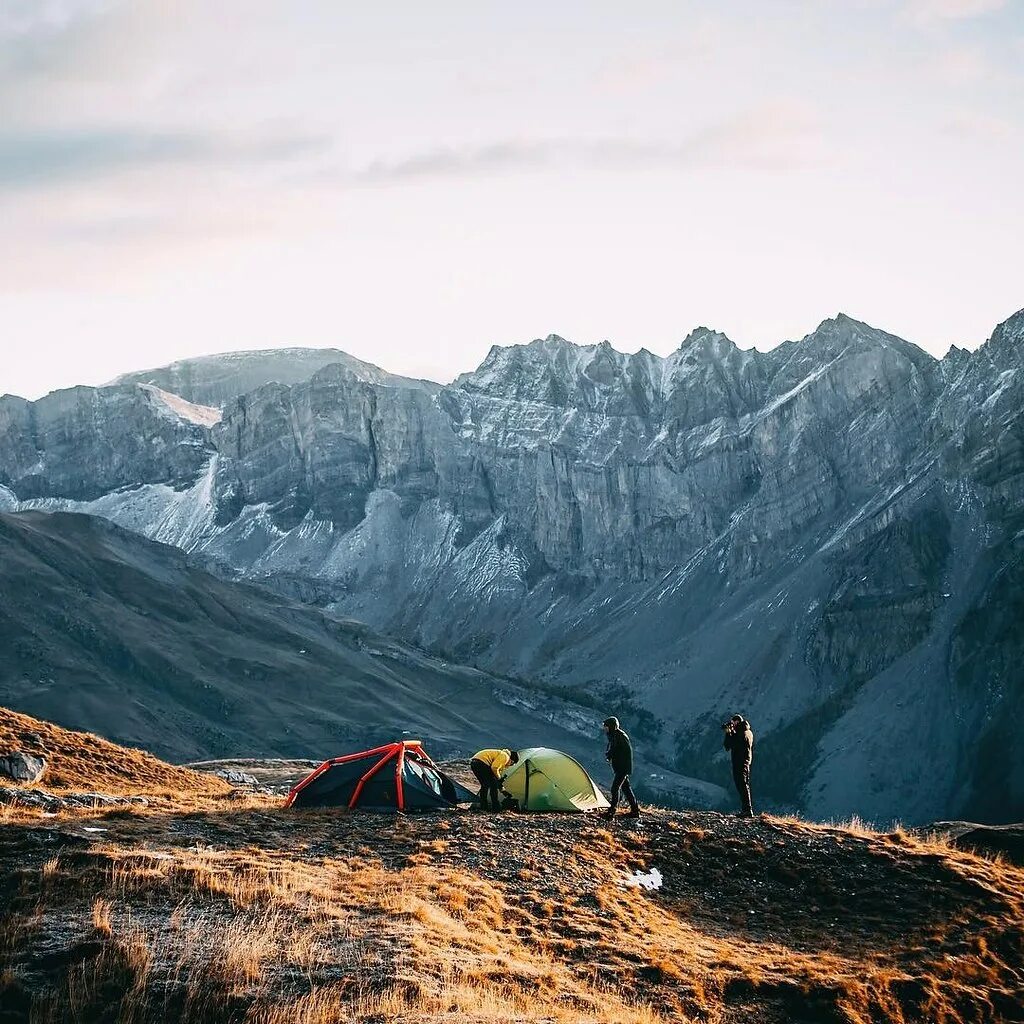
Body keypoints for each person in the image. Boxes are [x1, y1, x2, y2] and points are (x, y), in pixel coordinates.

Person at [601, 716, 640, 819]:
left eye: (606, 726)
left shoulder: (618, 736)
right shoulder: (616, 735)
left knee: (615, 788)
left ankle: (611, 811)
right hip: (622, 767)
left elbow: (616, 750)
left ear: (611, 726)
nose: (605, 729)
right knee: (626, 788)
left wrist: (609, 755)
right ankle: (635, 811)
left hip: (622, 768)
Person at [723, 714, 755, 817]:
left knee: (742, 785)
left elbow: (728, 745)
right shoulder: (747, 732)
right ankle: (746, 809)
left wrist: (728, 733)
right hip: (745, 762)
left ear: (737, 722)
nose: (732, 725)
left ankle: (747, 810)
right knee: (744, 785)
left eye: (733, 723)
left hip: (740, 762)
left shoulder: (741, 733)